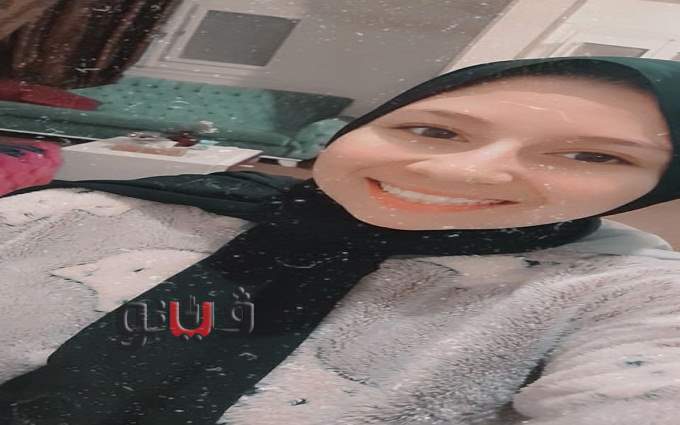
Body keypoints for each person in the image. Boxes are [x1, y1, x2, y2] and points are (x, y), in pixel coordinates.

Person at [1, 56, 679, 424]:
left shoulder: (626, 296)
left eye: (594, 156)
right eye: (433, 130)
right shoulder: (94, 209)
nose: (464, 172)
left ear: (656, 185)